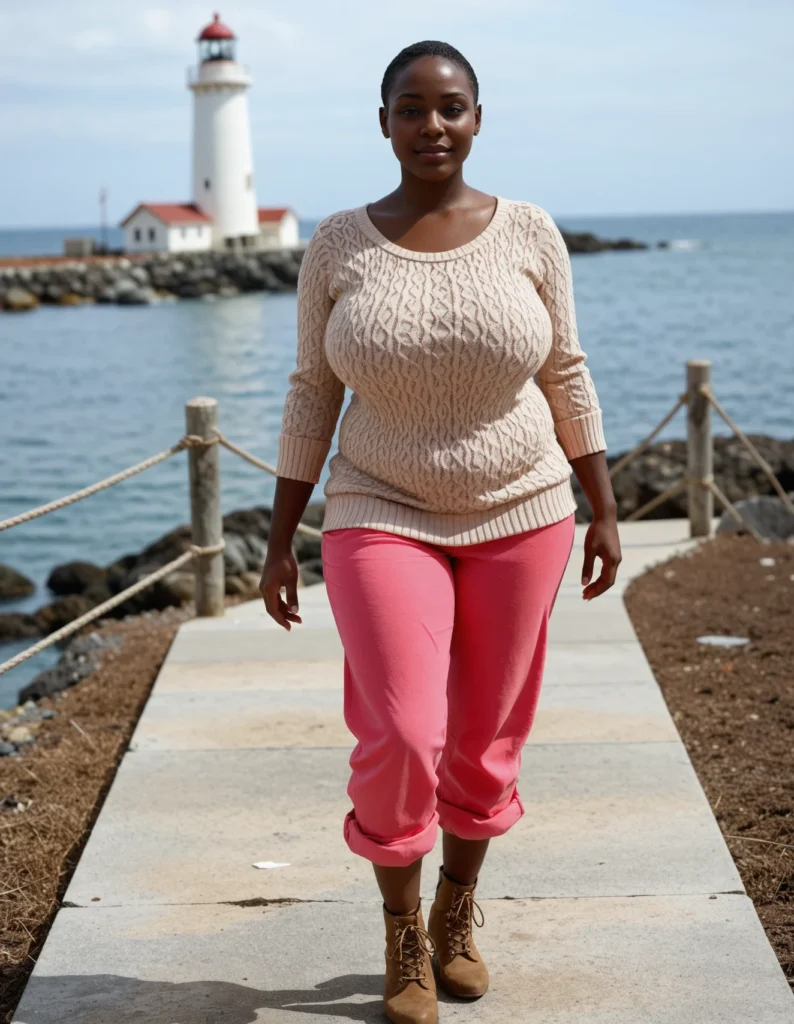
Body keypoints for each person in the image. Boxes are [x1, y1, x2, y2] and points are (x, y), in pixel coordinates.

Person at [260, 38, 622, 1024]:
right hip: (378, 510)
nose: (432, 125)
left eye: (450, 107)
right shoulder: (337, 243)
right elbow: (310, 391)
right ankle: (401, 927)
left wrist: (600, 504)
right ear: (381, 123)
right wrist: (280, 535)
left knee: (483, 738)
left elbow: (565, 372)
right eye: (410, 108)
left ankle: (458, 908)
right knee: (403, 729)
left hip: (524, 511)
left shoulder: (528, 232)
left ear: (475, 118)